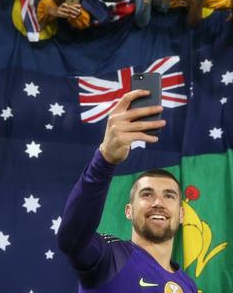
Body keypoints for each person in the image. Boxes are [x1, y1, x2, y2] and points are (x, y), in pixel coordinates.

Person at [57, 90, 198, 293]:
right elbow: (71, 240)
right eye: (147, 194)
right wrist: (104, 160)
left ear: (182, 214)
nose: (158, 202)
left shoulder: (188, 285)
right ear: (128, 211)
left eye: (169, 195)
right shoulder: (109, 256)